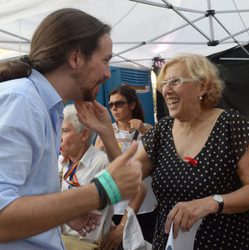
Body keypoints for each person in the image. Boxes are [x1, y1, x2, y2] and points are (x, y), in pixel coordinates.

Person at [0, 8, 142, 250]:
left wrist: (64, 212)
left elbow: (23, 193)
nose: (108, 73)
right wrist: (101, 190)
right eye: (105, 60)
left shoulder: (45, 106)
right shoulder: (23, 101)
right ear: (76, 58)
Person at [75, 53, 249, 250]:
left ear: (202, 86)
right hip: (168, 243)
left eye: (175, 81)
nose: (166, 90)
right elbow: (127, 173)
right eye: (164, 83)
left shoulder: (230, 125)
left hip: (223, 242)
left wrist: (213, 202)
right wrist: (107, 132)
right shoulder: (163, 130)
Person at [95, 85, 157, 245]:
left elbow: (158, 160)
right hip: (116, 205)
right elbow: (96, 168)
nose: (114, 109)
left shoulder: (148, 129)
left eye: (119, 103)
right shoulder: (106, 133)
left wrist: (143, 131)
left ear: (132, 104)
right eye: (111, 105)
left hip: (145, 203)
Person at [59, 104, 110, 246]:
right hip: (61, 242)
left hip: (88, 245)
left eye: (64, 131)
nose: (59, 136)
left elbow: (135, 192)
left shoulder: (102, 163)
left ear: (85, 134)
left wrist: (122, 227)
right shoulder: (58, 162)